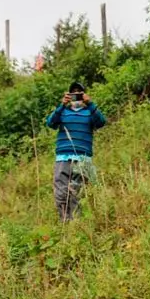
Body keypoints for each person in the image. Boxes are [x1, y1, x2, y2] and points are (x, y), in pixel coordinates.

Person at [46, 82, 107, 222]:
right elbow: (50, 123)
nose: (76, 97)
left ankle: (77, 224)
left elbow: (101, 122)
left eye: (79, 93)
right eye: (73, 93)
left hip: (83, 159)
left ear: (83, 95)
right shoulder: (63, 112)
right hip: (63, 158)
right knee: (61, 192)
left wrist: (90, 103)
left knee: (77, 193)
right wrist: (62, 105)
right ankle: (65, 223)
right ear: (69, 95)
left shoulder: (89, 113)